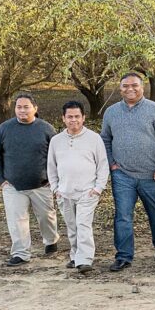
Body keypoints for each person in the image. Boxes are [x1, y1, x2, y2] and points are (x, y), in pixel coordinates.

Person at [100, 72, 155, 271]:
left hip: (152, 174)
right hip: (122, 174)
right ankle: (124, 256)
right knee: (123, 215)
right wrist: (111, 164)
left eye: (134, 85)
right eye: (125, 86)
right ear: (120, 88)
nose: (129, 89)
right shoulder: (111, 112)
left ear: (142, 88)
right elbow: (105, 140)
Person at [0, 92, 60, 266]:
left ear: (35, 108)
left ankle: (51, 240)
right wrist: (0, 178)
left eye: (26, 107)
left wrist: (55, 178)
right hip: (13, 185)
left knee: (46, 217)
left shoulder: (46, 128)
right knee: (17, 220)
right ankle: (21, 253)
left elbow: (58, 154)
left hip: (42, 184)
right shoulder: (4, 129)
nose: (22, 110)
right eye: (18, 107)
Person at [47, 101, 109, 273]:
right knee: (72, 226)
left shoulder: (94, 138)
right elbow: (51, 166)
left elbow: (103, 165)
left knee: (83, 225)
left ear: (83, 118)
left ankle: (85, 259)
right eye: (69, 117)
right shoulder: (56, 141)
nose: (73, 120)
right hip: (64, 192)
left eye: (77, 116)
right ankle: (75, 256)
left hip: (87, 192)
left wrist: (98, 188)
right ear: (63, 118)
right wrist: (55, 189)